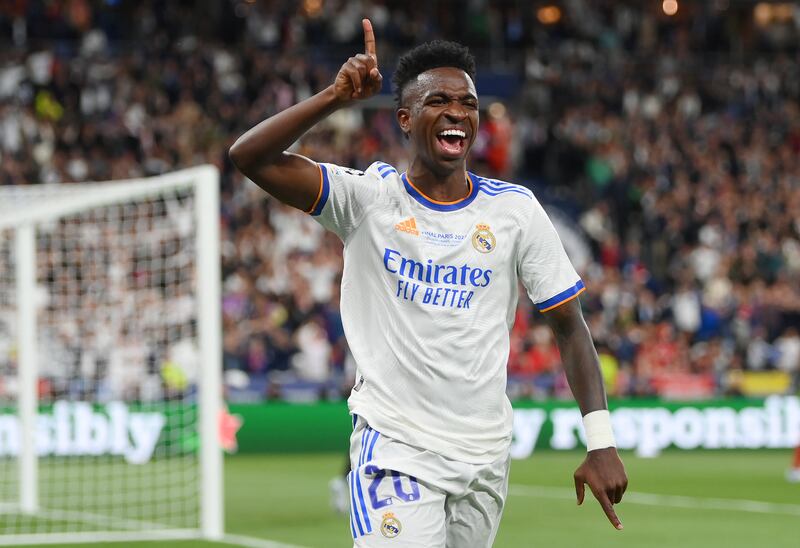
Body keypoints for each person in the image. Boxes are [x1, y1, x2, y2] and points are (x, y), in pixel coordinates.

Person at [230, 19, 627, 547]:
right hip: (397, 448)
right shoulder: (368, 200)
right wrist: (334, 97)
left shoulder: (515, 211)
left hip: (484, 457)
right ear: (405, 118)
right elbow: (248, 157)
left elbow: (570, 327)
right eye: (438, 100)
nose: (457, 112)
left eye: (468, 102)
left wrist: (600, 441)